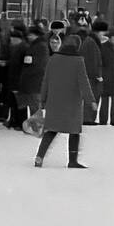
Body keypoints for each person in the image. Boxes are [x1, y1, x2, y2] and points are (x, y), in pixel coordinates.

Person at [35, 34, 95, 168]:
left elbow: (46, 80)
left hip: (54, 100)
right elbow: (83, 82)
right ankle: (72, 160)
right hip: (72, 102)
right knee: (74, 132)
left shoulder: (53, 59)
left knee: (51, 130)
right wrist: (90, 100)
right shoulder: (78, 61)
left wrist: (42, 99)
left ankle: (39, 157)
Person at [13, 24, 49, 129]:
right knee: (30, 103)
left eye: (31, 35)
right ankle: (35, 126)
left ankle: (37, 127)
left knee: (34, 104)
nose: (29, 37)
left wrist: (27, 74)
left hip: (34, 80)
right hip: (31, 80)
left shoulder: (40, 46)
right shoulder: (35, 45)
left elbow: (38, 66)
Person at [79, 22, 104, 124]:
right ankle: (88, 118)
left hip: (88, 74)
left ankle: (88, 118)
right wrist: (97, 75)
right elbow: (94, 60)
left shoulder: (88, 42)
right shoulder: (92, 43)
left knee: (90, 96)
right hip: (91, 76)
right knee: (92, 96)